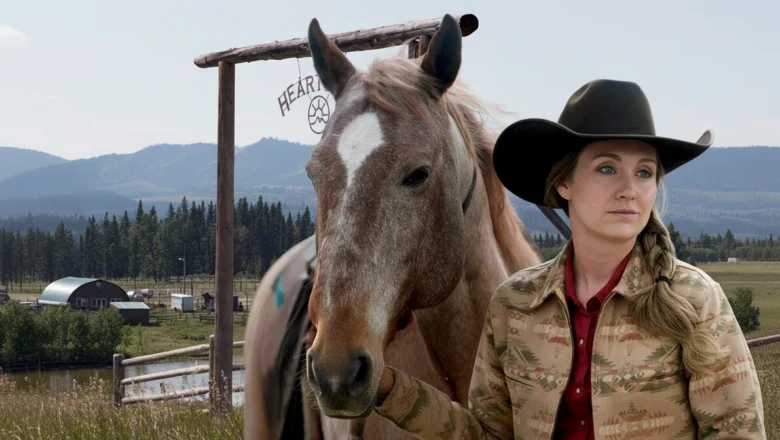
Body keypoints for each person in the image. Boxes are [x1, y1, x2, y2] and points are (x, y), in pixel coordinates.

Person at [372, 79, 766, 439]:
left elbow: (737, 432)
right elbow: (489, 435)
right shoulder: (515, 305)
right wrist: (389, 390)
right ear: (564, 183)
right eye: (607, 168)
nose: (630, 189)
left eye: (644, 173)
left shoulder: (695, 300)